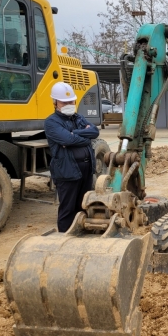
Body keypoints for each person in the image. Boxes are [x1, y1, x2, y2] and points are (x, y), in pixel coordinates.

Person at [44, 82, 99, 232]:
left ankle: (81, 233)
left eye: (71, 101)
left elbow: (94, 132)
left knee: (83, 205)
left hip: (86, 170)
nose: (69, 104)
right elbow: (67, 140)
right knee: (68, 209)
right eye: (64, 101)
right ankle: (65, 236)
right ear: (55, 103)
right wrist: (82, 136)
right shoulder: (51, 122)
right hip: (67, 171)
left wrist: (74, 134)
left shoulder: (78, 118)